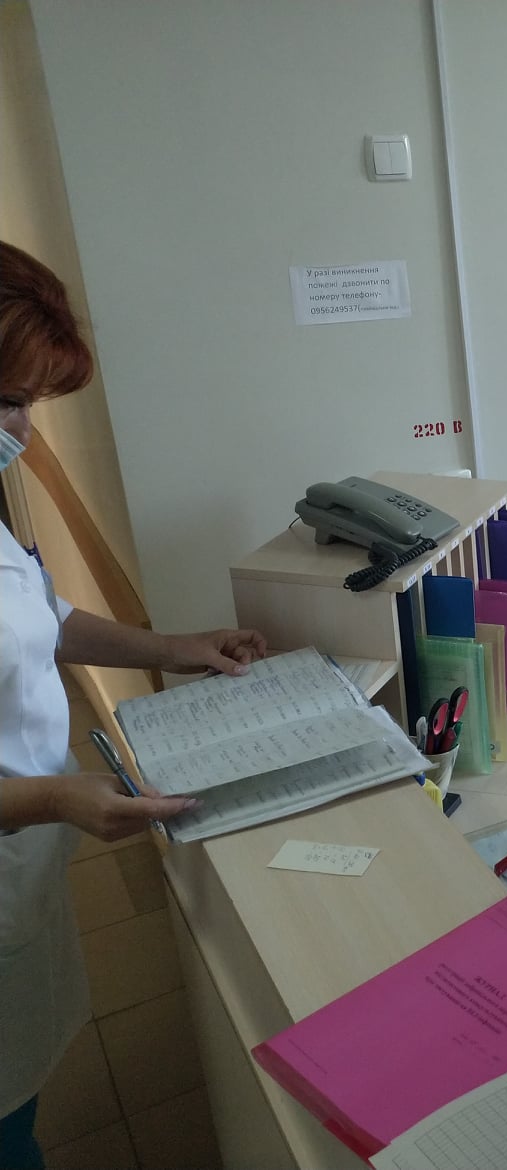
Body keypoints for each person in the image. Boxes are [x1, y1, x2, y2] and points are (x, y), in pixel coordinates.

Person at [0, 240, 268, 1169]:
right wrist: (54, 796)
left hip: (19, 869)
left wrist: (174, 648)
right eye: (9, 403)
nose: (22, 432)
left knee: (17, 1099)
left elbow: (38, 619)